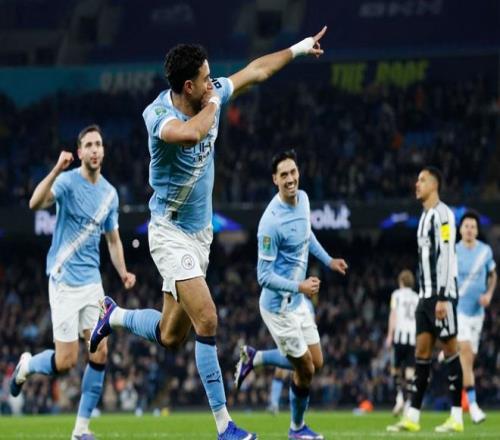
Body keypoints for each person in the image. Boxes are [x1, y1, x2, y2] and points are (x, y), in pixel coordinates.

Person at [89, 28, 328, 440]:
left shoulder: (208, 93)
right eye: (205, 78)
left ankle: (115, 315)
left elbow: (256, 71)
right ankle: (225, 427)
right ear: (188, 86)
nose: (212, 82)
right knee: (208, 317)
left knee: (170, 336)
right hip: (168, 232)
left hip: (200, 237)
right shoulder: (158, 116)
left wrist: (300, 49)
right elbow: (190, 134)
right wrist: (216, 102)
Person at [10, 125, 136, 440]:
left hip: (92, 282)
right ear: (79, 152)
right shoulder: (66, 182)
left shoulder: (110, 194)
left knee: (100, 351)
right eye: (88, 145)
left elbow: (113, 239)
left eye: (98, 144)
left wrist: (122, 271)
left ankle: (81, 429)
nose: (94, 149)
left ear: (103, 150)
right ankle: (27, 366)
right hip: (64, 280)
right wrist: (55, 169)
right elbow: (35, 204)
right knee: (66, 362)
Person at [234, 150, 348, 440]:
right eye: (283, 175)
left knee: (316, 362)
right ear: (275, 180)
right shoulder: (270, 223)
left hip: (297, 302)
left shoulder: (305, 200)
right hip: (277, 307)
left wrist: (329, 261)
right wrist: (300, 287)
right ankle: (297, 429)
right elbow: (263, 276)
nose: (290, 179)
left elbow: (307, 236)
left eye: (293, 172)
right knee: (305, 368)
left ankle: (255, 358)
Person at [387, 166, 463, 433]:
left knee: (451, 351)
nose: (416, 184)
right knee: (421, 354)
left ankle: (457, 417)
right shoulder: (423, 217)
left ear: (434, 185)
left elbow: (447, 255)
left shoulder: (443, 215)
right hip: (424, 296)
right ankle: (413, 416)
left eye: (422, 180)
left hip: (442, 296)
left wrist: (443, 298)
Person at [456, 210, 497, 423]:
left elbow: (493, 275)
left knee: (468, 360)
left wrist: (489, 294)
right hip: (458, 310)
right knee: (465, 353)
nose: (470, 230)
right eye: (466, 226)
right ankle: (473, 406)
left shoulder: (485, 251)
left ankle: (449, 352)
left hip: (477, 314)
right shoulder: (453, 252)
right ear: (460, 230)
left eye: (473, 226)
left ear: (477, 231)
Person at [385, 270, 419, 416]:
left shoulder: (396, 295)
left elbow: (393, 315)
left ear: (401, 282)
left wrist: (389, 335)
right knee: (410, 371)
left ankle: (399, 397)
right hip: (412, 337)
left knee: (395, 368)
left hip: (399, 336)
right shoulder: (417, 297)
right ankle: (408, 402)